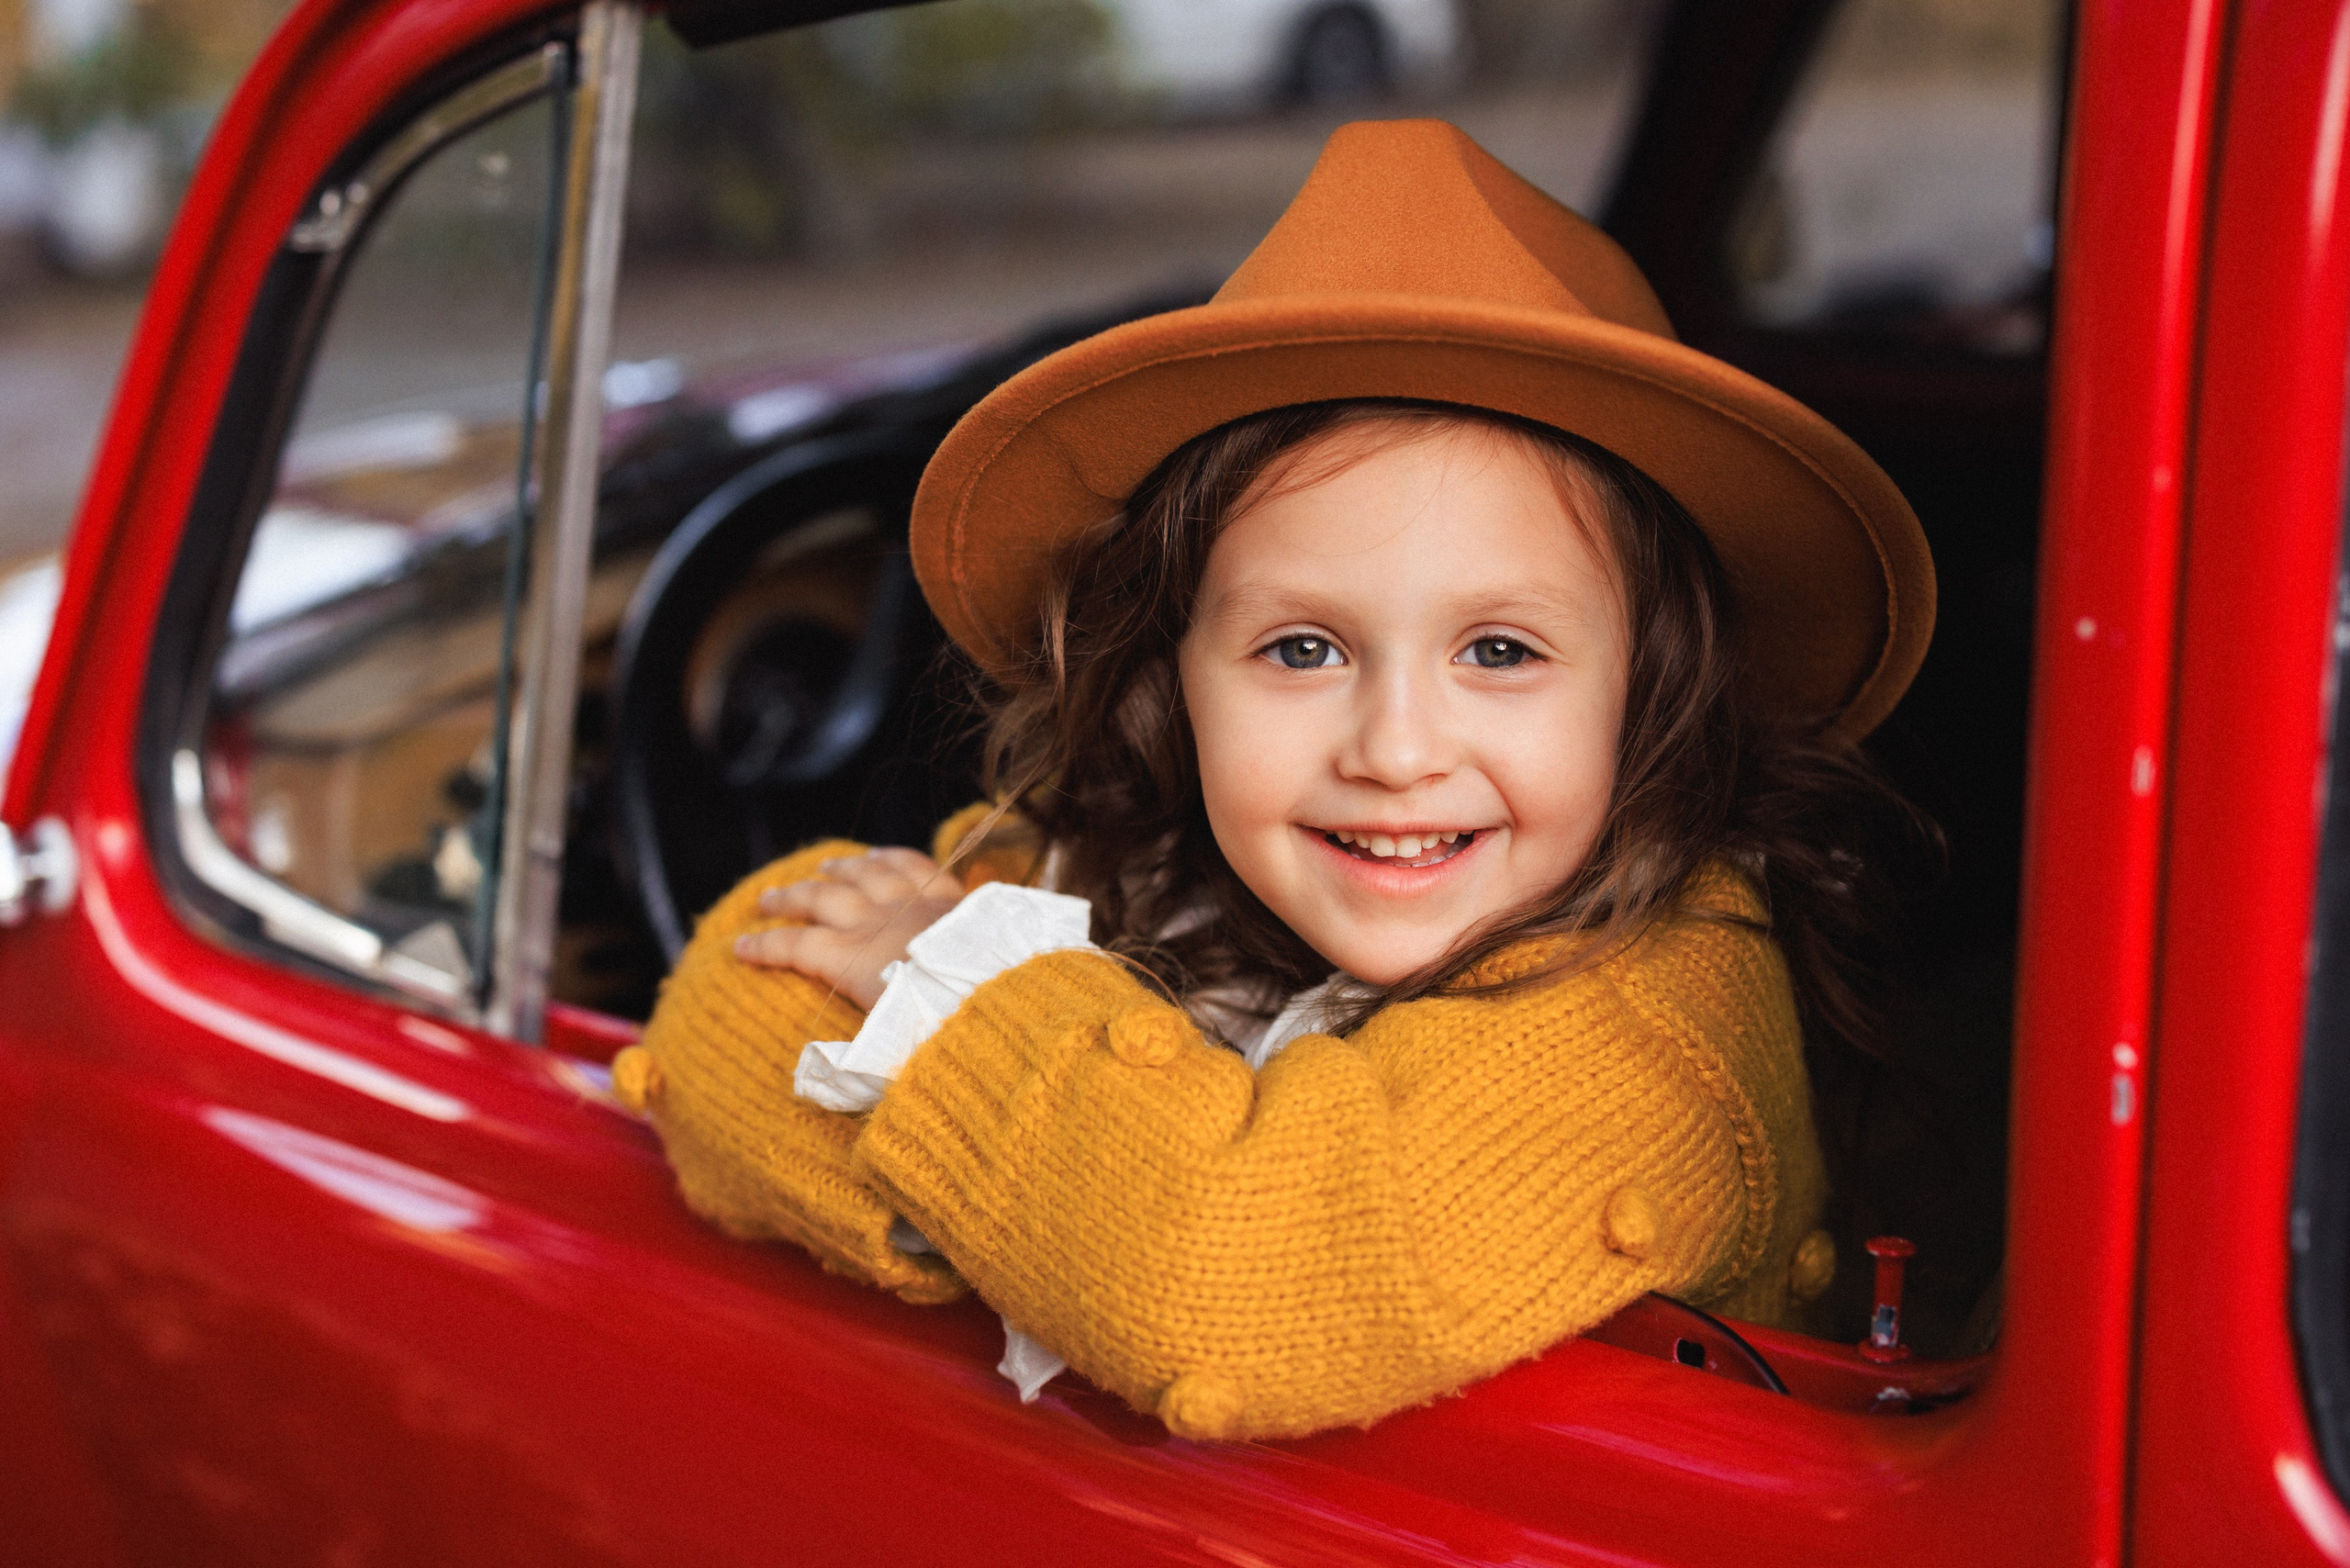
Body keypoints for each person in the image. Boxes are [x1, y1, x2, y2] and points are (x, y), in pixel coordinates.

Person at [609, 118, 1936, 1441]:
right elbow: (733, 1004)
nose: (1397, 749)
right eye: (1301, 649)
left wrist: (957, 1073)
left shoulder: (1661, 1013)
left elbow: (1217, 1281)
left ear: (1651, 687)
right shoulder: (1146, 853)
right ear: (1170, 678)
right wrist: (1031, 1198)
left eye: (1499, 650)